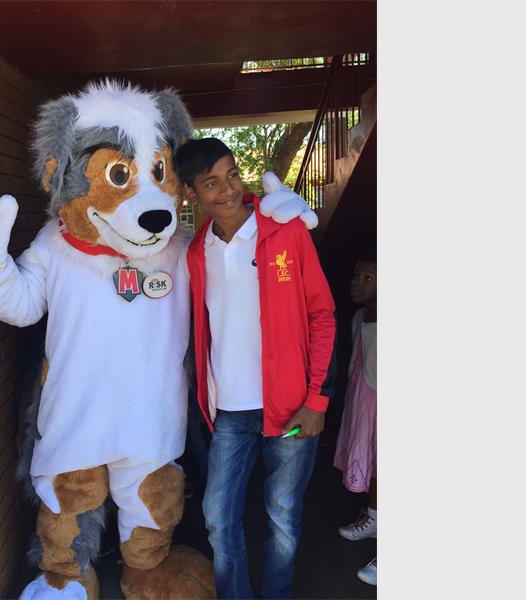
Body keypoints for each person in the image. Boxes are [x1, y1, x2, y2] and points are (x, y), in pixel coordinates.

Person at [175, 137, 336, 599]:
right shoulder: (196, 252)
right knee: (218, 516)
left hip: (290, 407)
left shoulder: (285, 232)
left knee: (283, 516)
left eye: (231, 175)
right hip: (231, 411)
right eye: (211, 183)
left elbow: (322, 316)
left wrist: (317, 399)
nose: (227, 189)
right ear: (190, 193)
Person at [333, 254, 377, 586]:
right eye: (356, 276)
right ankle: (375, 517)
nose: (356, 284)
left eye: (368, 279)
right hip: (363, 399)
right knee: (374, 463)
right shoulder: (361, 316)